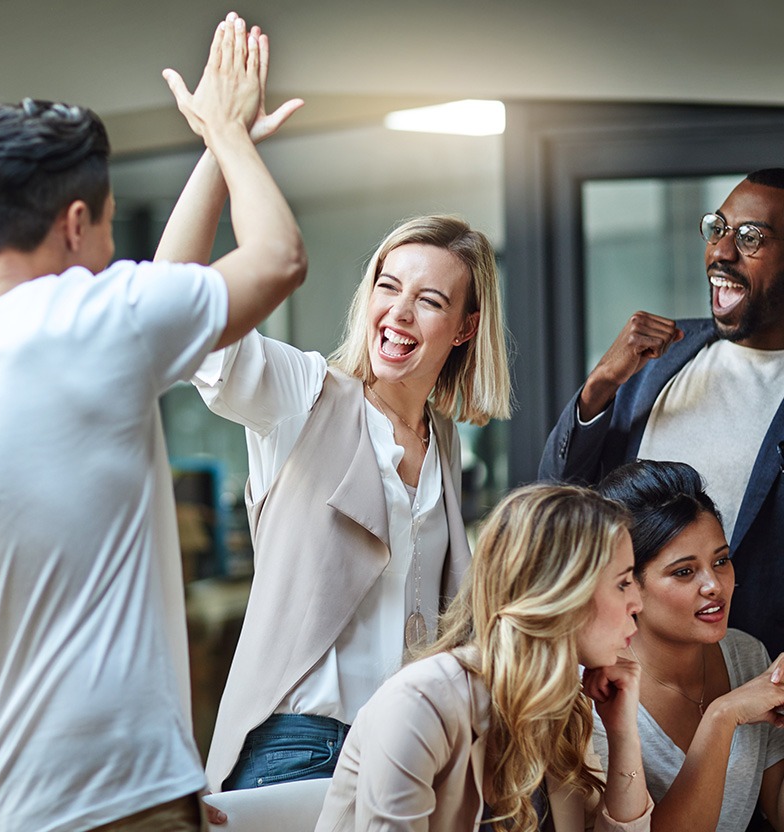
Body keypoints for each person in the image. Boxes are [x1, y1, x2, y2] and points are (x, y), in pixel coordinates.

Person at [0, 13, 306, 832]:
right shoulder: (105, 320)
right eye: (109, 223)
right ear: (76, 222)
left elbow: (165, 294)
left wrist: (221, 152)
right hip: (121, 795)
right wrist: (227, 133)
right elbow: (279, 257)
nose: (115, 249)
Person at [160, 146, 511, 813]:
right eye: (388, 285)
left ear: (465, 329)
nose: (399, 312)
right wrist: (218, 144)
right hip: (300, 742)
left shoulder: (443, 445)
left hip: (411, 746)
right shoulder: (304, 394)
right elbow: (176, 308)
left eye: (428, 300)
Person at [539, 168, 784, 659]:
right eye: (718, 228)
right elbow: (558, 494)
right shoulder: (659, 359)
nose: (721, 251)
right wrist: (601, 383)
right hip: (623, 665)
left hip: (757, 674)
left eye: (751, 237)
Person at [314, 482, 652, 832]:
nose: (638, 604)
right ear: (561, 593)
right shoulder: (420, 702)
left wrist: (623, 732)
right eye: (623, 583)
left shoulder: (556, 708)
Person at [593, 460, 784, 832]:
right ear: (627, 583)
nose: (715, 585)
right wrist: (721, 716)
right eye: (684, 571)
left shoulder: (747, 654)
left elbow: (777, 809)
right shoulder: (597, 690)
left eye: (721, 560)